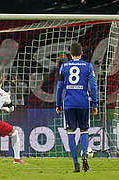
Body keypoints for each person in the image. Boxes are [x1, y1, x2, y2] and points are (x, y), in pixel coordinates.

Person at [56, 42, 98, 173]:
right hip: (83, 103)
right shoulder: (88, 66)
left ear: (70, 53)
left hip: (69, 103)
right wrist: (95, 103)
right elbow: (93, 86)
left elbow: (59, 88)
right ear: (82, 53)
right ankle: (84, 154)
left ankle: (76, 164)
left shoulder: (64, 66)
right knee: (84, 130)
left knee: (71, 133)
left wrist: (58, 104)